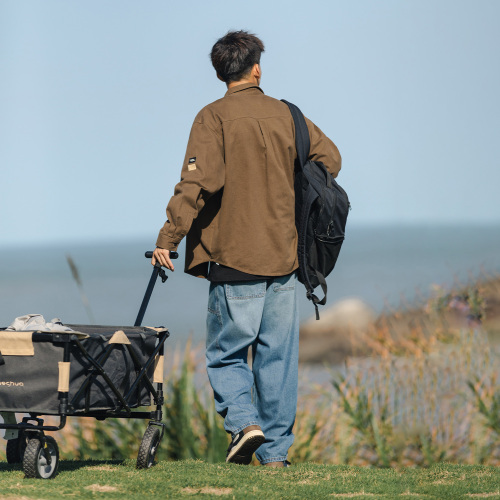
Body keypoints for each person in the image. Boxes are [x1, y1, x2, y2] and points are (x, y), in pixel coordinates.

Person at [152, 30, 341, 467]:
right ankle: (275, 457)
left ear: (221, 72)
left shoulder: (211, 117)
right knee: (277, 360)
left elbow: (198, 183)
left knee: (226, 353)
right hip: (284, 258)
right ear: (257, 67)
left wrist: (168, 237)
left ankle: (243, 423)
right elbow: (330, 159)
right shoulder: (289, 116)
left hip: (234, 258)